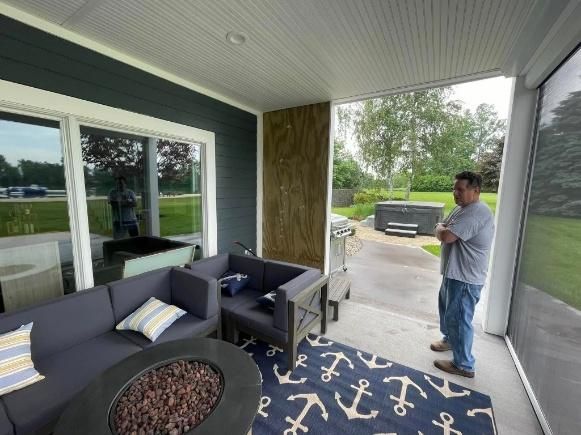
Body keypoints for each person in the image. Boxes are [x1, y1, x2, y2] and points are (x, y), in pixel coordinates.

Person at [431, 171, 494, 378]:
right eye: (454, 188)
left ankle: (464, 365)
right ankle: (449, 340)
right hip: (454, 272)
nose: (455, 193)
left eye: (460, 189)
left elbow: (447, 235)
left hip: (465, 277)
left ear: (475, 190)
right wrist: (442, 227)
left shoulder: (476, 212)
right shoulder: (462, 209)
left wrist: (441, 228)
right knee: (449, 311)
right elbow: (445, 227)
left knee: (459, 318)